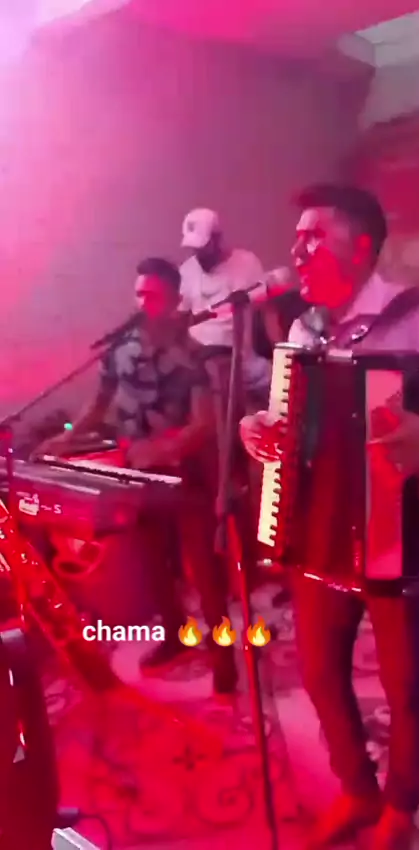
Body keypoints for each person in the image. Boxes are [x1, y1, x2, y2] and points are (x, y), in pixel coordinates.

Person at [239, 185, 419, 849]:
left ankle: (401, 803)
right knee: (319, 672)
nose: (297, 250)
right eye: (297, 238)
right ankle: (357, 789)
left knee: (403, 683)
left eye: (314, 235)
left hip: (395, 524)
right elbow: (286, 416)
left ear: (362, 245)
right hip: (318, 529)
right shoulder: (303, 330)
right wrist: (261, 428)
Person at [39, 257, 238, 696]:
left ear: (174, 300)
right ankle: (175, 635)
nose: (144, 303)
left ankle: (224, 659)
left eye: (154, 296)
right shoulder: (120, 349)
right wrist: (66, 437)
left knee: (204, 572)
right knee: (154, 563)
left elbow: (204, 423)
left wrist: (161, 450)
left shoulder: (193, 354)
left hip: (186, 476)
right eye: (139, 294)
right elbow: (99, 403)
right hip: (138, 475)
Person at [179, 207, 273, 410]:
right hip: (202, 359)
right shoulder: (186, 271)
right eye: (194, 249)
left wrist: (280, 347)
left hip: (242, 359)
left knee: (284, 387)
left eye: (203, 247)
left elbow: (266, 311)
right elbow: (179, 319)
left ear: (217, 238)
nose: (199, 255)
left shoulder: (246, 263)